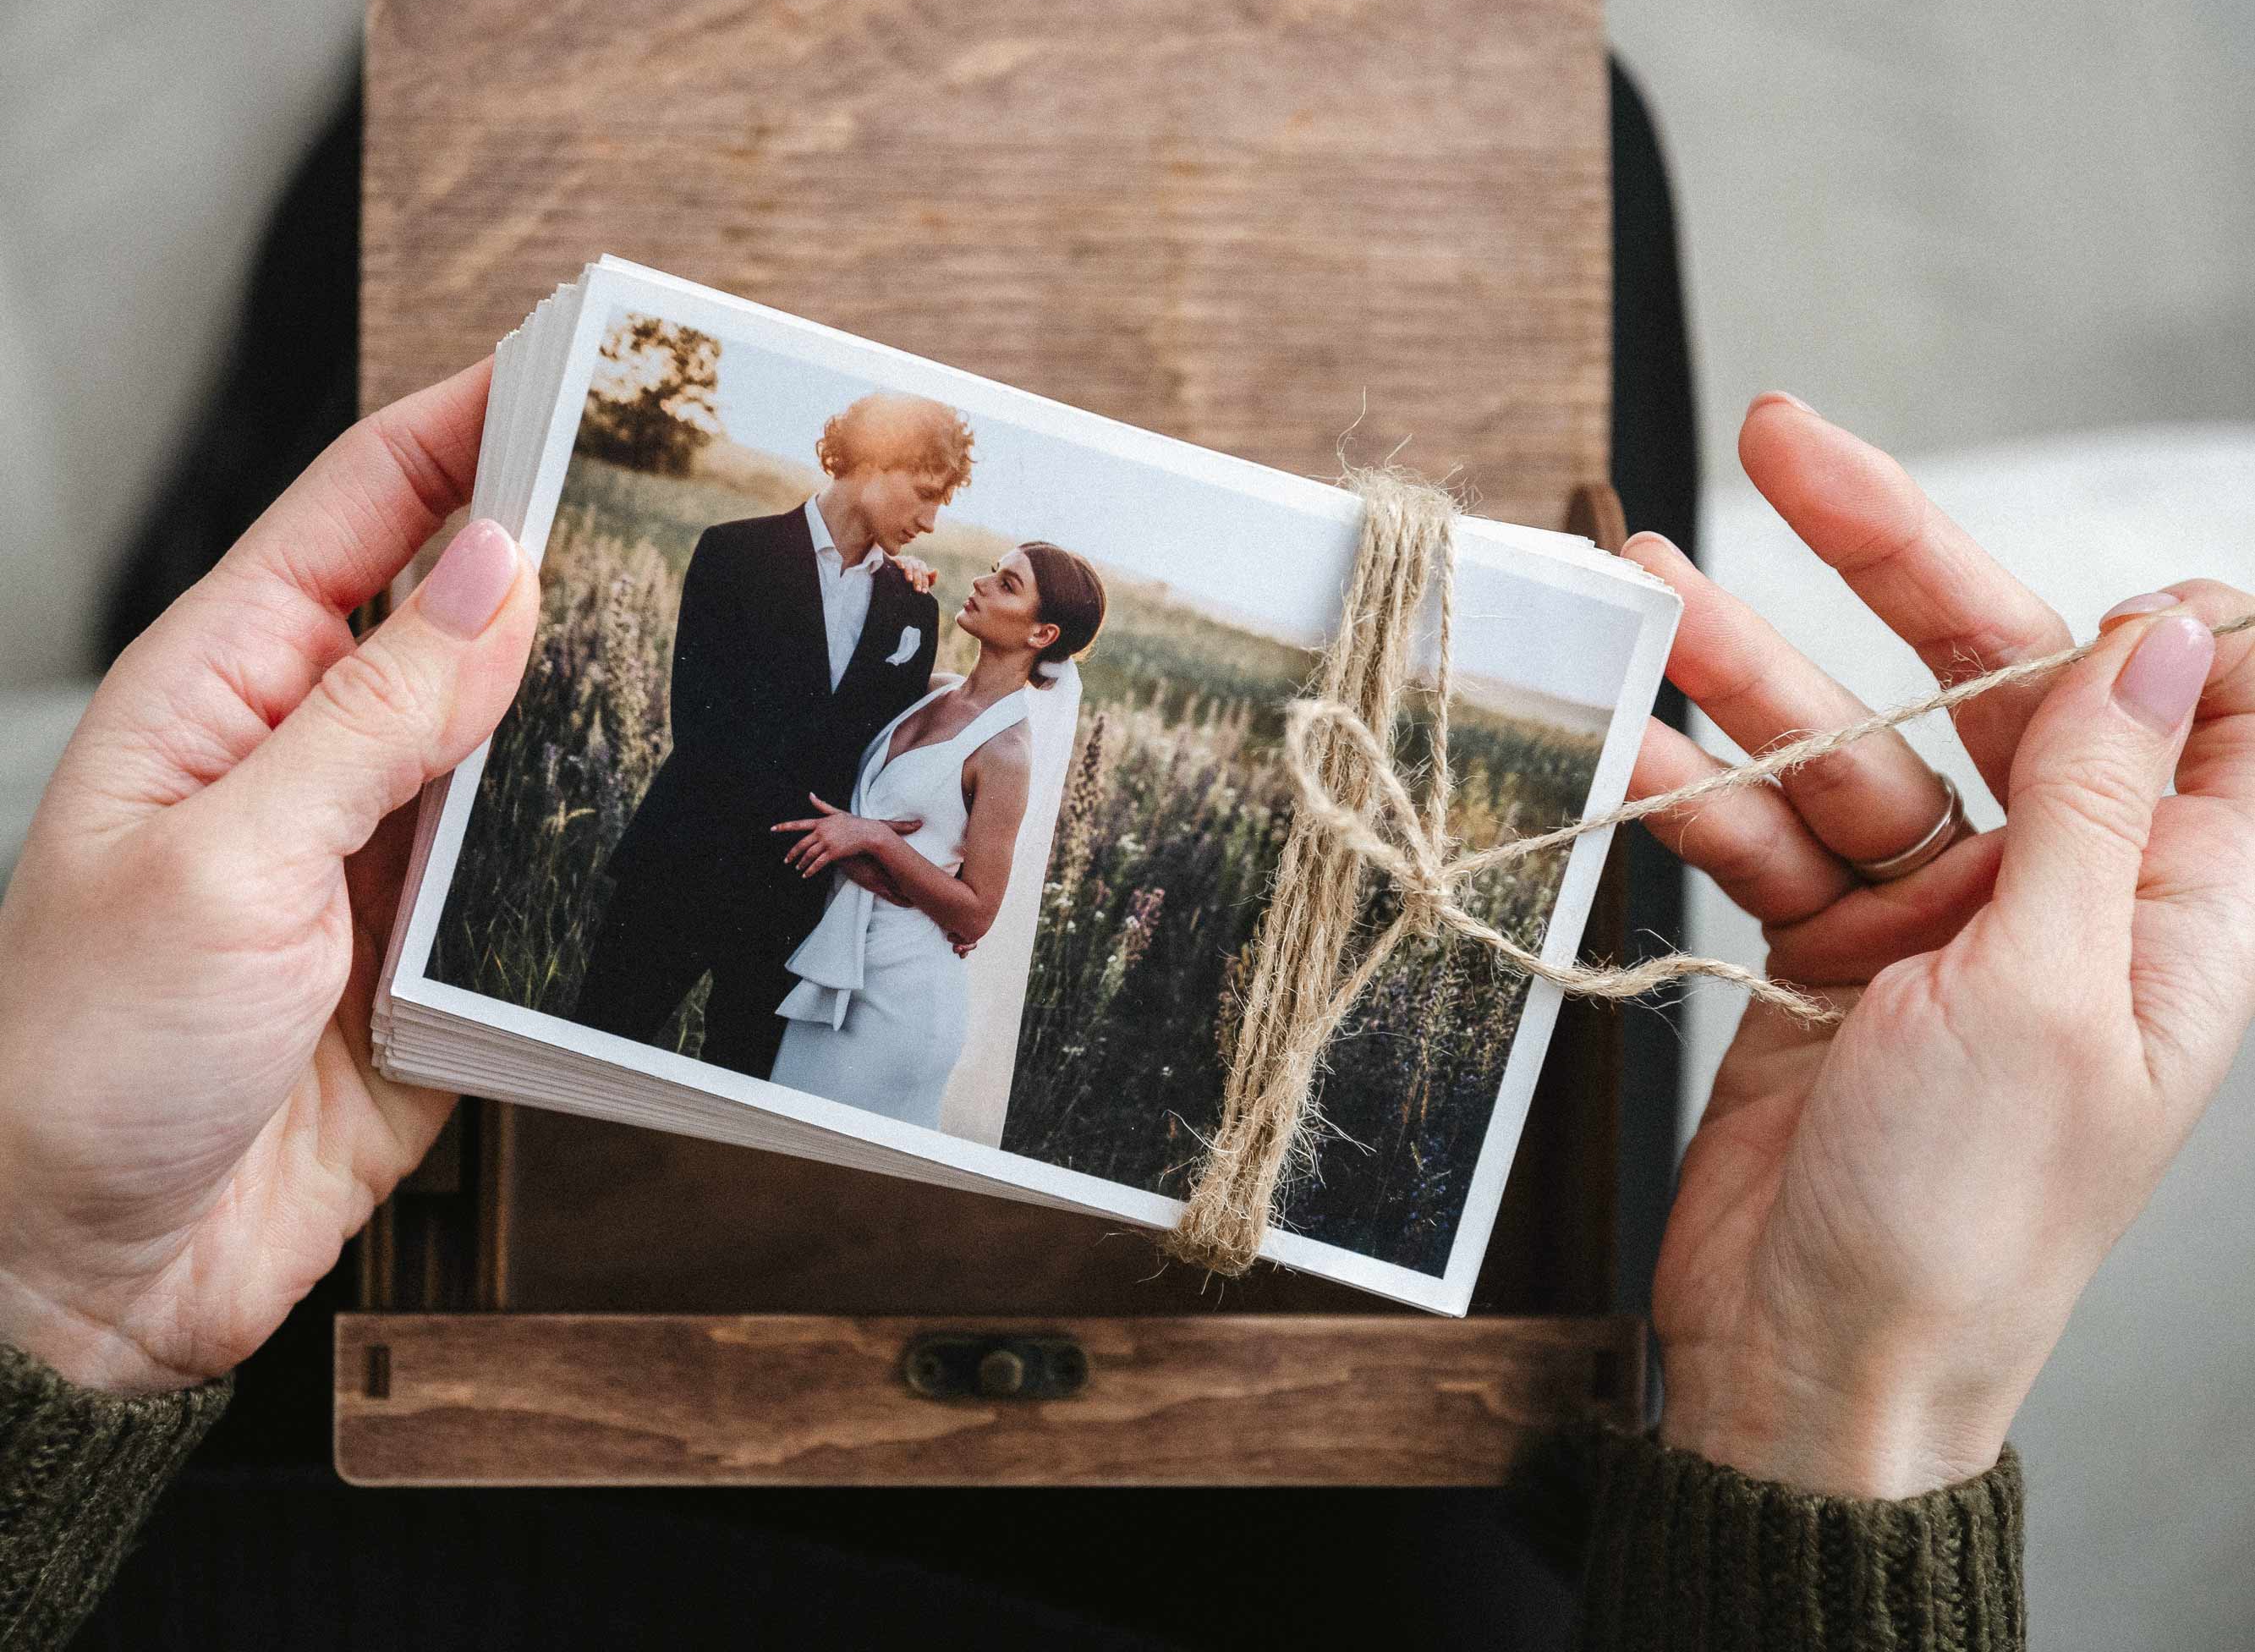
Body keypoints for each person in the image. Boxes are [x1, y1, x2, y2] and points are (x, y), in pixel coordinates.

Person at [0, 367, 2248, 1650]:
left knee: (327, 400)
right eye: (950, 535)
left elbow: (971, 900)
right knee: (1603, 168)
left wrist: (46, 1295)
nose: (961, 565)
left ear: (1039, 625)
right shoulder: (908, 646)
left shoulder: (1003, 714)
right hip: (1381, 1566)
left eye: (992, 563)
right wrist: (1840, 1427)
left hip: (305, 1537)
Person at [568, 391, 963, 1078]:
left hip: (793, 906)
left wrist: (893, 853)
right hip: (684, 867)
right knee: (592, 1056)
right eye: (923, 494)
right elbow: (704, 729)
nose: (930, 521)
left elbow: (881, 758)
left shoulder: (913, 611)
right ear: (873, 460)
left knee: (737, 1096)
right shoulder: (733, 554)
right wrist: (842, 846)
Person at [766, 543, 1106, 1129]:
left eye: (1006, 585)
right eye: (993, 572)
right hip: (837, 964)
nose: (979, 582)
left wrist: (877, 840)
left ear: (1042, 634)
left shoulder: (1006, 753)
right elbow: (835, 707)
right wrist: (896, 585)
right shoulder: (936, 689)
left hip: (903, 998)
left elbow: (975, 915)